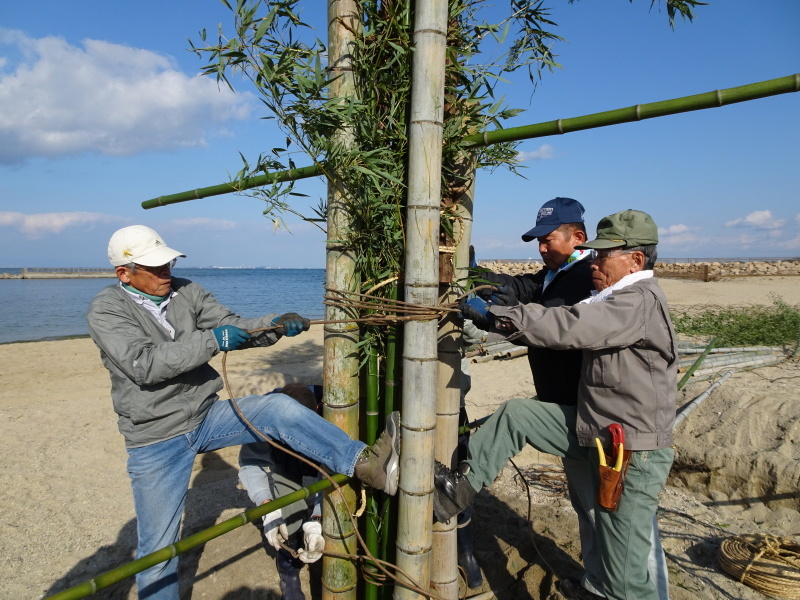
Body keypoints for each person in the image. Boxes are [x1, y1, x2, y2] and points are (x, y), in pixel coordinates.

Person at [87, 225, 400, 600]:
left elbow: (230, 323)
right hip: (155, 437)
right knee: (157, 552)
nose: (166, 271)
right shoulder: (106, 309)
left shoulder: (186, 290)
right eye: (155, 267)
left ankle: (364, 464)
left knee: (278, 407)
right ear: (125, 273)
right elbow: (144, 364)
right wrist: (211, 341)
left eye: (167, 262)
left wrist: (276, 325)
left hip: (205, 418)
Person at [437, 210, 677, 600]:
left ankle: (611, 590)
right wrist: (491, 291)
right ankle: (460, 489)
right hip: (594, 428)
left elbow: (568, 325)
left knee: (626, 570)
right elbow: (540, 301)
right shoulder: (613, 296)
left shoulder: (637, 302)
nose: (594, 262)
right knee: (519, 415)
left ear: (636, 259)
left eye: (603, 256)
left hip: (631, 449)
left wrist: (496, 318)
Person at [467, 197, 606, 594]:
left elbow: (550, 320)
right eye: (538, 241)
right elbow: (517, 286)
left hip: (585, 412)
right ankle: (595, 581)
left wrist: (493, 314)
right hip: (561, 408)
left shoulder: (586, 280)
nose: (542, 247)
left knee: (604, 511)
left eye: (549, 239)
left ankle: (610, 584)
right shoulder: (553, 273)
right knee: (585, 505)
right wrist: (476, 272)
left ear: (578, 237)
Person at [238, 383, 326, 600]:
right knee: (287, 515)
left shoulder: (333, 412)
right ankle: (289, 571)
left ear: (317, 407)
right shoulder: (264, 415)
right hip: (285, 461)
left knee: (331, 512)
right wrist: (267, 506)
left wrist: (318, 516)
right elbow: (251, 462)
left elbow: (331, 474)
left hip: (323, 462)